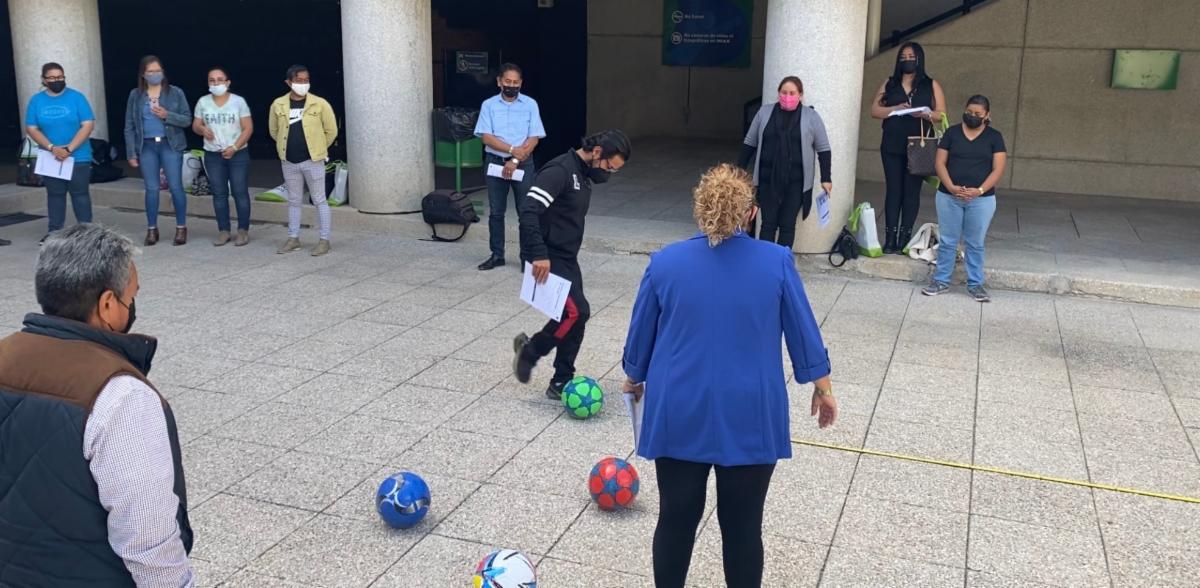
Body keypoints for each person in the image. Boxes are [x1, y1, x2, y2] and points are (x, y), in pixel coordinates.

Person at [622, 164, 836, 587]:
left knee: (675, 518)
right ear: (751, 212)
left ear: (699, 209)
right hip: (750, 409)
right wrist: (822, 386)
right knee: (743, 526)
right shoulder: (776, 261)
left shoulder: (664, 263)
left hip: (679, 407)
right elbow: (803, 330)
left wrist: (634, 376)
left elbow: (640, 337)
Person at [0, 224, 194, 586]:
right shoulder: (120, 395)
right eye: (130, 297)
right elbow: (148, 544)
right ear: (107, 304)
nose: (132, 307)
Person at [511, 130, 631, 399]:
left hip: (566, 256)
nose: (609, 173)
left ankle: (561, 380)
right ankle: (531, 352)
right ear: (597, 152)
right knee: (577, 312)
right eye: (609, 167)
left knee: (575, 317)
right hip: (547, 255)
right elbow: (528, 211)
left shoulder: (583, 173)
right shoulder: (560, 171)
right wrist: (538, 254)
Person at [924, 95, 1007, 302]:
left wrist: (979, 190)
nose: (972, 116)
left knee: (975, 242)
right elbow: (940, 163)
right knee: (948, 241)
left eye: (978, 114)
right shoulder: (952, 133)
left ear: (987, 115)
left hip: (981, 199)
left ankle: (975, 283)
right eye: (969, 112)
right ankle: (941, 280)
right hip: (948, 196)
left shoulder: (994, 137)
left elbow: (998, 169)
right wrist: (951, 186)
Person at [738, 76, 833, 249]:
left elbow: (824, 149)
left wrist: (826, 178)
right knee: (767, 224)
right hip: (767, 181)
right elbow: (750, 143)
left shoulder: (811, 117)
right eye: (784, 92)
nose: (787, 97)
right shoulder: (764, 112)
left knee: (788, 225)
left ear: (800, 95)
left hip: (795, 183)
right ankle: (766, 261)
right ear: (778, 93)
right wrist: (738, 171)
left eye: (792, 93)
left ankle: (783, 260)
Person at [870, 41, 946, 254]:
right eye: (903, 57)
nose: (907, 60)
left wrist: (925, 113)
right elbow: (874, 110)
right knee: (893, 190)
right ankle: (890, 238)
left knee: (911, 192)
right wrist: (894, 108)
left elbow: (941, 114)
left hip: (919, 146)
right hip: (892, 143)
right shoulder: (890, 83)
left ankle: (905, 237)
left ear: (919, 59)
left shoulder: (930, 84)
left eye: (911, 57)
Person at [475, 62, 546, 271]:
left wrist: (515, 160)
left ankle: (526, 258)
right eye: (508, 81)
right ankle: (497, 254)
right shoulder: (489, 105)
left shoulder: (530, 104)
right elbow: (486, 137)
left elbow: (534, 137)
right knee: (496, 212)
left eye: (516, 82)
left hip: (523, 164)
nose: (511, 86)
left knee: (526, 212)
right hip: (495, 163)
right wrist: (513, 150)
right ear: (499, 82)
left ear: (521, 83)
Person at [269, 64, 338, 257]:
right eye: (299, 80)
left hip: (313, 160)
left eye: (306, 80)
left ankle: (324, 240)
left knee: (319, 200)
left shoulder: (320, 103)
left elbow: (331, 131)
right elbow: (274, 131)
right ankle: (293, 238)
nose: (303, 84)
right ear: (288, 82)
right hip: (289, 161)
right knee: (293, 200)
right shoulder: (278, 104)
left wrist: (318, 148)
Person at [124, 55, 192, 246]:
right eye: (150, 72)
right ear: (143, 74)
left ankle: (181, 227)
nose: (155, 74)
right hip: (146, 146)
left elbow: (187, 119)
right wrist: (131, 152)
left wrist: (167, 115)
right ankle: (152, 228)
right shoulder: (135, 95)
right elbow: (129, 125)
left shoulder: (175, 92)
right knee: (151, 189)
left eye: (158, 71)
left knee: (176, 187)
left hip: (170, 144)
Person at [24, 62, 96, 242]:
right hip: (51, 155)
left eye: (60, 77)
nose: (57, 80)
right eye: (52, 78)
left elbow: (87, 124)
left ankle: (87, 233)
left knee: (80, 194)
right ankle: (54, 232)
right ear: (43, 80)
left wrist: (69, 149)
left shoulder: (77, 98)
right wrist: (52, 148)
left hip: (78, 155)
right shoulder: (36, 101)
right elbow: (31, 128)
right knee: (55, 194)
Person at [193, 66, 253, 247]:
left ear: (228, 82)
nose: (216, 83)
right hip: (213, 155)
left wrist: (234, 147)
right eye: (212, 80)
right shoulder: (203, 102)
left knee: (240, 192)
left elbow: (248, 128)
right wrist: (202, 129)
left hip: (238, 154)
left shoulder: (238, 102)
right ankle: (224, 231)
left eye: (220, 80)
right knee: (219, 194)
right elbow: (195, 125)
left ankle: (242, 230)